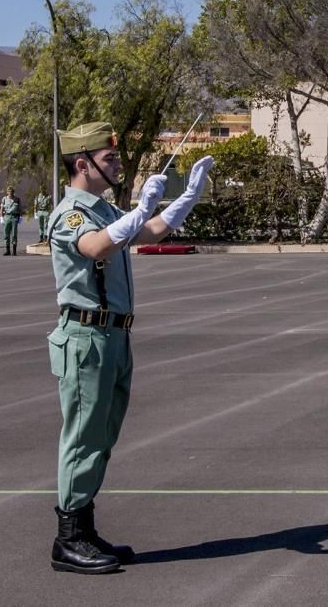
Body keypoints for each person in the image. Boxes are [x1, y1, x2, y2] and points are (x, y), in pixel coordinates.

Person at [47, 121, 213, 574]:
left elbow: (147, 232)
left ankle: (83, 526)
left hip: (113, 336)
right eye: (110, 158)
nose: (118, 163)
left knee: (101, 438)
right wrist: (139, 209)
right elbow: (98, 247)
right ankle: (69, 539)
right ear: (83, 164)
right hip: (86, 337)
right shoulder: (71, 214)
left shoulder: (101, 208)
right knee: (82, 439)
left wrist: (184, 199)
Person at [0, 185, 21, 255]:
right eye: (9, 191)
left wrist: (20, 217)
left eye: (11, 191)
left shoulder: (17, 199)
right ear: (7, 192)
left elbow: (20, 209)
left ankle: (14, 251)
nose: (10, 192)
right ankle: (8, 250)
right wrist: (1, 218)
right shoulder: (4, 199)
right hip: (7, 217)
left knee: (14, 234)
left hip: (14, 218)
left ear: (13, 192)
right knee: (6, 234)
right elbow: (1, 209)